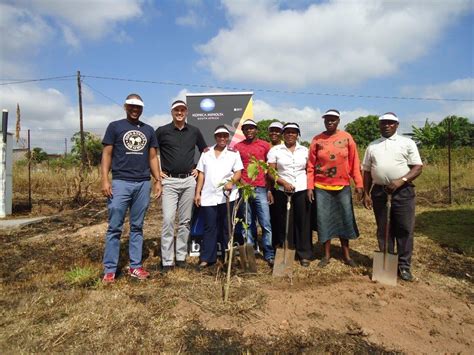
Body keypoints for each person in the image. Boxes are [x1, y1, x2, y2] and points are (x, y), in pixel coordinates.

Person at [101, 94, 162, 283]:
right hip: (120, 183)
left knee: (137, 227)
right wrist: (105, 179)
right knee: (114, 228)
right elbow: (107, 154)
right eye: (132, 106)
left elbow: (152, 157)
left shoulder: (148, 130)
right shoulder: (115, 127)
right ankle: (110, 269)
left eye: (138, 107)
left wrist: (157, 180)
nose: (135, 109)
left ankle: (135, 267)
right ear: (125, 106)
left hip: (143, 183)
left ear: (142, 109)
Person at [362, 112, 423, 281]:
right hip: (380, 192)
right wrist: (366, 193)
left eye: (390, 123)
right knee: (384, 229)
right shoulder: (373, 146)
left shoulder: (407, 143)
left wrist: (401, 181)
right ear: (379, 125)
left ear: (397, 125)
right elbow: (366, 171)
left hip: (403, 192)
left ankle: (404, 266)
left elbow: (417, 167)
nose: (386, 125)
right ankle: (387, 265)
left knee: (404, 229)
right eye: (383, 123)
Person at [307, 109, 363, 268]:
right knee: (324, 221)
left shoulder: (346, 138)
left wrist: (358, 183)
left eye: (333, 119)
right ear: (324, 121)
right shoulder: (317, 139)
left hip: (342, 186)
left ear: (338, 121)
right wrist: (310, 186)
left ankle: (346, 255)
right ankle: (326, 255)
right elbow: (310, 166)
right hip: (321, 187)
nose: (330, 122)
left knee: (345, 218)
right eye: (327, 119)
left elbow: (354, 163)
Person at [155, 100, 207, 272]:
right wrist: (156, 173)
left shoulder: (194, 131)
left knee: (185, 221)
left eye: (182, 110)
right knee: (169, 220)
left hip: (188, 181)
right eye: (176, 110)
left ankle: (180, 256)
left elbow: (205, 151)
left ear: (187, 112)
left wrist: (198, 170)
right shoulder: (162, 131)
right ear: (172, 112)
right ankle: (167, 260)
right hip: (169, 181)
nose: (179, 112)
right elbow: (151, 153)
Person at [194, 126, 243, 269]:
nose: (222, 138)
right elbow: (201, 174)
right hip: (209, 196)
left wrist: (231, 182)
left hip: (228, 196)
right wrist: (198, 193)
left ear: (228, 137)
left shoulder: (234, 153)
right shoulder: (207, 153)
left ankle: (228, 257)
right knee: (209, 227)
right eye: (219, 136)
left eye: (225, 136)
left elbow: (238, 172)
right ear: (215, 137)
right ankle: (207, 258)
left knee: (227, 228)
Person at [268, 122, 313, 266]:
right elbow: (271, 172)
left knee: (303, 221)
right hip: (282, 190)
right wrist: (283, 183)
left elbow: (309, 170)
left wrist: (309, 188)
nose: (290, 135)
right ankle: (286, 249)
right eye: (287, 132)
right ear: (283, 134)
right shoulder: (275, 150)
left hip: (301, 189)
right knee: (284, 222)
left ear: (298, 134)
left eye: (293, 132)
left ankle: (304, 253)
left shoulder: (305, 150)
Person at [234, 119, 275, 266]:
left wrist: (270, 189)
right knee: (247, 222)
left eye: (252, 128)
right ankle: (250, 254)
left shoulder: (265, 145)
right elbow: (235, 168)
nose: (249, 131)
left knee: (265, 222)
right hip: (245, 189)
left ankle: (269, 253)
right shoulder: (238, 147)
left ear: (256, 130)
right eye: (246, 129)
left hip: (261, 188)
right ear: (243, 131)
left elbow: (270, 169)